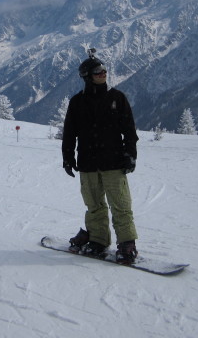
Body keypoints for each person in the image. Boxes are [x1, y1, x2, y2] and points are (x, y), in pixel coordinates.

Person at [62, 49, 140, 264]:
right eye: (97, 71)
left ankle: (126, 244)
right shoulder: (77, 102)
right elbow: (69, 133)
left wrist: (130, 155)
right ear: (87, 76)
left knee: (121, 205)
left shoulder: (117, 98)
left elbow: (130, 132)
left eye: (104, 70)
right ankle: (97, 240)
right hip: (87, 164)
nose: (103, 73)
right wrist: (67, 158)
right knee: (94, 205)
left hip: (113, 163)